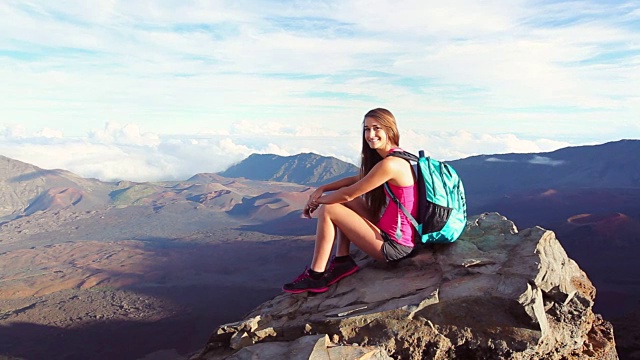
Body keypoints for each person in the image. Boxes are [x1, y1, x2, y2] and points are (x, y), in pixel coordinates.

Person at [283, 108, 418, 294]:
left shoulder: (390, 164)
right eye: (366, 129)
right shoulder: (396, 157)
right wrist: (323, 189)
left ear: (390, 129)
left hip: (395, 247)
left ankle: (316, 277)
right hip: (389, 232)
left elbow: (349, 194)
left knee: (331, 209)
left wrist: (319, 202)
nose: (370, 135)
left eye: (376, 128)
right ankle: (342, 261)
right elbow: (358, 179)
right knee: (339, 200)